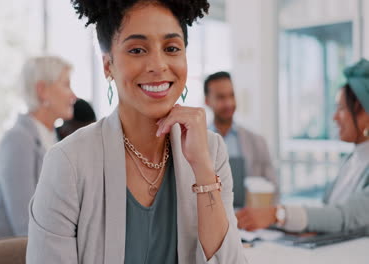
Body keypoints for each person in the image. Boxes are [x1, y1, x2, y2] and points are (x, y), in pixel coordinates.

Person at [27, 0, 246, 263]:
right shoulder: (68, 162)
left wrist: (202, 167)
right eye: (137, 50)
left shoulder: (210, 151)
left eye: (172, 48)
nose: (158, 65)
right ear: (108, 65)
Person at [236, 58, 369, 233]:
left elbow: (345, 216)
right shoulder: (352, 160)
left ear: (364, 114)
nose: (335, 117)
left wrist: (279, 214)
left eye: (341, 108)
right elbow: (327, 210)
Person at [0, 56, 77, 240]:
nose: (73, 96)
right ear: (42, 90)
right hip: (9, 253)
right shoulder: (17, 140)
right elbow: (23, 224)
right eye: (66, 85)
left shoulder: (50, 136)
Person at [204, 71, 279, 203]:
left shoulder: (257, 142)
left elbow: (274, 190)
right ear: (207, 101)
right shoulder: (198, 141)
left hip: (248, 218)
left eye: (231, 95)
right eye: (221, 97)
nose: (229, 103)